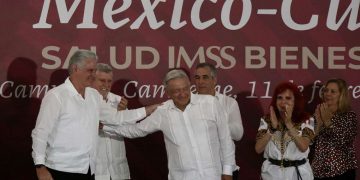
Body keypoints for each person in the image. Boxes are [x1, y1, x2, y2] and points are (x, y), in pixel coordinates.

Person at [31, 50, 157, 180]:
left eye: (94, 71)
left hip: (88, 170)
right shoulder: (56, 96)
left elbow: (116, 117)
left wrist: (147, 110)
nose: (93, 75)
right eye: (90, 71)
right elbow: (41, 132)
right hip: (60, 169)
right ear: (75, 68)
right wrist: (40, 167)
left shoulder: (93, 95)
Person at [103, 69, 236, 180]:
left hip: (214, 176)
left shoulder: (211, 103)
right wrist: (105, 127)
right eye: (177, 91)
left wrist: (228, 171)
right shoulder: (163, 112)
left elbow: (225, 139)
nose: (183, 94)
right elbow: (136, 130)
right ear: (167, 92)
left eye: (185, 89)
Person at [255, 82, 314, 180]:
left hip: (298, 174)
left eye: (288, 98)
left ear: (296, 101)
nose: (283, 102)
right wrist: (272, 129)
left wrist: (289, 123)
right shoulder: (267, 120)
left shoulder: (307, 120)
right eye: (280, 98)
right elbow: (258, 149)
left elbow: (303, 147)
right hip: (271, 174)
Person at [194, 62, 243, 179]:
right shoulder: (187, 104)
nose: (200, 82)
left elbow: (238, 134)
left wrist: (216, 123)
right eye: (197, 78)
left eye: (205, 77)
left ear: (214, 80)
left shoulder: (229, 103)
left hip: (224, 171)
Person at [312, 78, 358, 179]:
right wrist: (318, 125)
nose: (328, 94)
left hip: (342, 172)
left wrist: (328, 122)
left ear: (341, 95)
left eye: (333, 91)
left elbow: (343, 140)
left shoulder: (349, 116)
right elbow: (309, 143)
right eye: (326, 90)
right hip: (319, 172)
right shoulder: (318, 112)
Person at [91, 63, 131, 180]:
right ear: (92, 80)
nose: (106, 85)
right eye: (102, 81)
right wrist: (118, 116)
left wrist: (122, 114)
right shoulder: (85, 100)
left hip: (119, 172)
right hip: (96, 172)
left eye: (109, 81)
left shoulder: (119, 101)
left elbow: (130, 131)